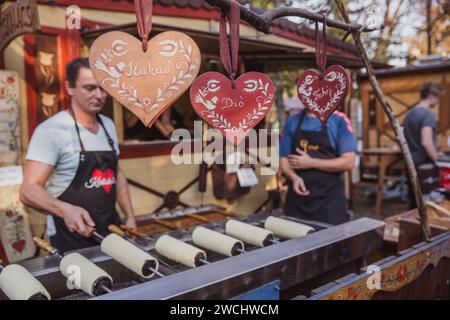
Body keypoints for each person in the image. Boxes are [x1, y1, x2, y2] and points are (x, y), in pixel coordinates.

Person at [20, 57, 136, 253]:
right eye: (90, 88)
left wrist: (130, 216)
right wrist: (65, 209)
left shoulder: (108, 125)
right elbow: (28, 190)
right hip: (70, 235)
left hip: (109, 228)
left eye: (102, 88)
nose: (99, 95)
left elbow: (117, 174)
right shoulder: (52, 130)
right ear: (70, 88)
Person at [279, 109, 357, 225]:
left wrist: (311, 162)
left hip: (329, 201)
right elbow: (283, 161)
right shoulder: (292, 121)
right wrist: (294, 178)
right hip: (297, 203)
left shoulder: (339, 120)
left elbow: (349, 162)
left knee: (331, 241)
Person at [403, 82, 443, 204]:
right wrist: (437, 160)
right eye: (438, 98)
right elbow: (426, 142)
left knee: (414, 201)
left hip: (410, 164)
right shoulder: (428, 115)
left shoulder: (409, 115)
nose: (438, 102)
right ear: (431, 96)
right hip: (424, 167)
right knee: (427, 204)